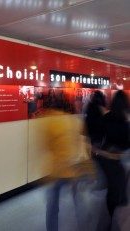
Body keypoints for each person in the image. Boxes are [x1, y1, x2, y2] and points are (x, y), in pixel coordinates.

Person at [43, 100, 82, 231]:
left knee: (52, 207)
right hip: (73, 169)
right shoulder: (76, 122)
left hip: (56, 171)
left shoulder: (51, 122)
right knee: (78, 202)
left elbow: (47, 146)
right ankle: (83, 225)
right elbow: (78, 144)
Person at [94, 90, 130, 218]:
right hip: (119, 159)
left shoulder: (106, 117)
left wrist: (101, 149)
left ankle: (112, 215)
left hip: (105, 158)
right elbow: (126, 144)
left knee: (112, 189)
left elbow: (98, 136)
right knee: (118, 189)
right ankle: (116, 216)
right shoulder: (125, 123)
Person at [84, 90, 108, 188]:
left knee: (95, 158)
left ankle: (98, 180)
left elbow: (87, 121)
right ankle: (100, 180)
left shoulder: (90, 107)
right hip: (101, 137)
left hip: (92, 137)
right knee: (99, 158)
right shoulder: (102, 108)